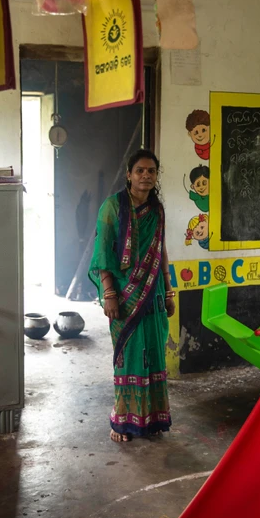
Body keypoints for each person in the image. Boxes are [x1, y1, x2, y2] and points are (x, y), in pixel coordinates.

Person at [89, 149, 175, 442]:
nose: (146, 176)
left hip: (154, 293)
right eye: (140, 171)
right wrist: (109, 292)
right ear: (128, 174)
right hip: (124, 293)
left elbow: (161, 249)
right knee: (127, 356)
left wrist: (169, 289)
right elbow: (102, 251)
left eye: (152, 171)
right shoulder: (112, 207)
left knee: (153, 353)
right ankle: (123, 421)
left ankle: (151, 419)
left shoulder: (157, 209)